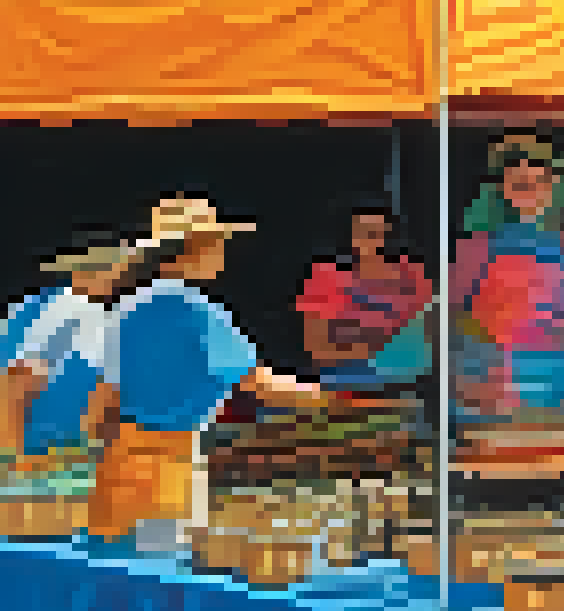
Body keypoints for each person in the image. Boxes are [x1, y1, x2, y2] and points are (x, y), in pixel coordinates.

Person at [90, 196, 326, 548]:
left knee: (115, 578)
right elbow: (258, 384)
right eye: (218, 244)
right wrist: (333, 399)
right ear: (193, 249)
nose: (224, 253)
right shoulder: (200, 311)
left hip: (118, 464)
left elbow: (105, 399)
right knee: (163, 579)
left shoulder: (124, 307)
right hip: (171, 468)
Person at [452, 134, 564, 416]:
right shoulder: (474, 250)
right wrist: (468, 385)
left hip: (549, 405)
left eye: (536, 182)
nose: (526, 190)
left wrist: (563, 383)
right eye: (517, 182)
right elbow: (445, 324)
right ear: (500, 188)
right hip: (473, 407)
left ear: (556, 186)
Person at [0, 230, 138, 475]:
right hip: (35, 458)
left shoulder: (102, 318)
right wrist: (12, 464)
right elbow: (13, 385)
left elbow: (104, 396)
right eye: (112, 268)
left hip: (69, 459)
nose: (119, 278)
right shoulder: (51, 310)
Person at [297, 203, 433, 380]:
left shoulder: (411, 274)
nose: (374, 242)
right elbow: (318, 346)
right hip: (345, 379)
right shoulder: (326, 275)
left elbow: (424, 343)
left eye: (380, 234)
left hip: (409, 380)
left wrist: (357, 337)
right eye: (365, 233)